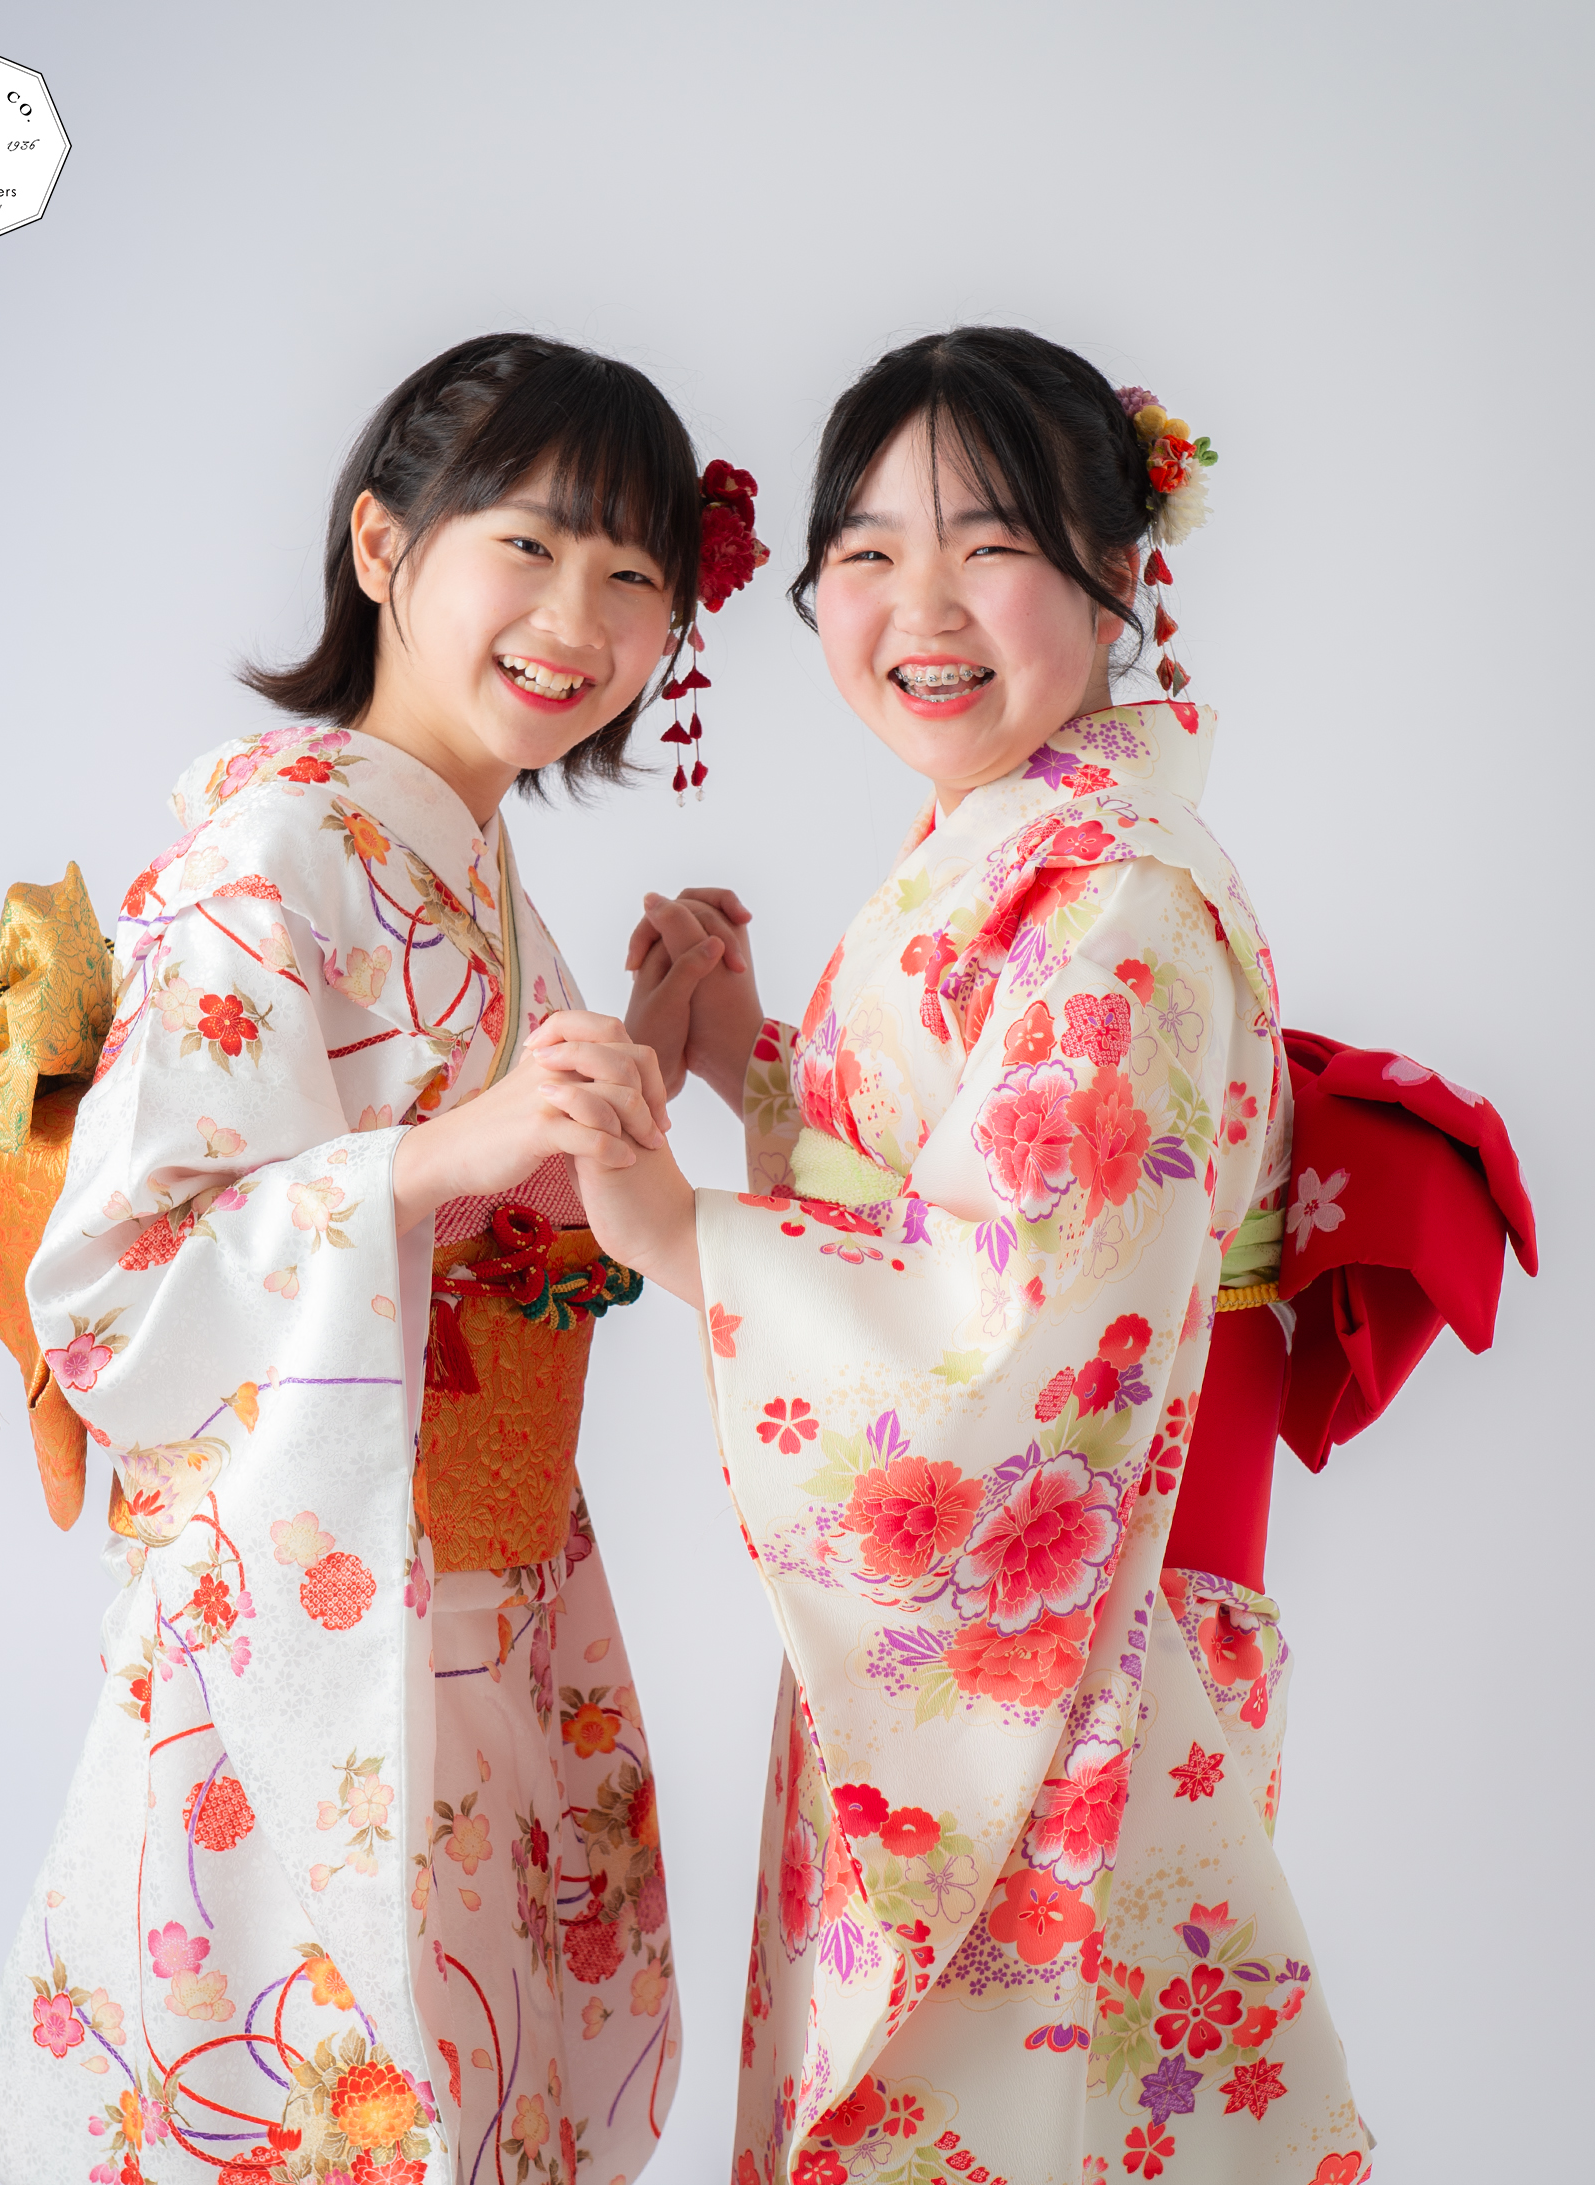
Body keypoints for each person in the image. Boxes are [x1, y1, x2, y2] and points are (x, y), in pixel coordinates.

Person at [0, 334, 759, 2185]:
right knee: (325, 2096)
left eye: (634, 573)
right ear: (385, 545)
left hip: (478, 1605)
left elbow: (530, 1231)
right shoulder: (276, 850)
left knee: (462, 2086)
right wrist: (436, 1157)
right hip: (308, 1629)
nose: (580, 619)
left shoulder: (477, 873)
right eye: (529, 545)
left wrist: (648, 1033)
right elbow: (122, 1281)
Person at [576, 328, 1382, 2183]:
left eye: (988, 541)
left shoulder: (1120, 898)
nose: (919, 607)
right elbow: (940, 1186)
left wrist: (683, 1231)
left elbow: (1011, 1319)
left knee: (1018, 2116)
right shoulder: (1018, 844)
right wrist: (754, 1062)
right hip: (1012, 1638)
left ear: (1115, 572)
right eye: (866, 552)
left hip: (1081, 1636)